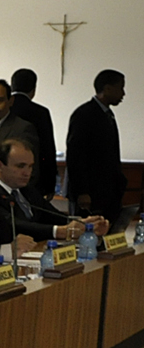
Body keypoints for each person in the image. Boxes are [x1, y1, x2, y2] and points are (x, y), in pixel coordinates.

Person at [0, 139, 103, 243]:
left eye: (30, 166)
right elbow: (14, 225)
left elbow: (53, 215)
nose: (27, 173)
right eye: (21, 166)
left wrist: (86, 224)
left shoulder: (27, 190)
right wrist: (60, 231)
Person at [65, 69, 128, 229]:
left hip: (107, 190)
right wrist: (82, 191)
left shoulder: (107, 114)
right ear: (107, 89)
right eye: (120, 88)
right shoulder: (84, 114)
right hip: (91, 193)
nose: (123, 94)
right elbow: (75, 155)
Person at [9, 68, 58, 199]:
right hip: (32, 178)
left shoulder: (2, 110)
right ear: (33, 89)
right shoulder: (40, 112)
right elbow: (47, 149)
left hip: (2, 176)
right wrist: (49, 185)